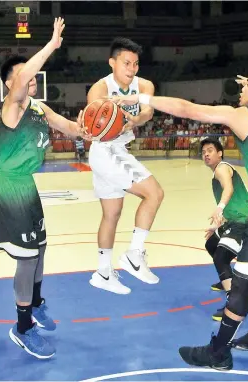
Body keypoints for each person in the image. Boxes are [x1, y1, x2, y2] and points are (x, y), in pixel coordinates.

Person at [110, 68, 248, 370]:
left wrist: (139, 97)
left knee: (243, 281)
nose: (240, 90)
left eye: (247, 87)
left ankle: (218, 352)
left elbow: (188, 109)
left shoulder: (243, 115)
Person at [0, 18, 90, 359]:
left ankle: (37, 303)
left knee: (41, 249)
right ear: (11, 83)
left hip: (27, 188)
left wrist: (94, 128)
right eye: (23, 76)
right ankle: (22, 326)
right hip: (9, 189)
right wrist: (51, 45)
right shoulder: (12, 108)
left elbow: (72, 129)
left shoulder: (39, 108)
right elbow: (22, 78)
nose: (31, 79)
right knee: (27, 261)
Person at [86, 37, 164, 295]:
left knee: (112, 214)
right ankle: (134, 255)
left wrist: (134, 119)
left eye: (136, 63)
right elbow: (90, 120)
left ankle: (103, 271)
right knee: (154, 193)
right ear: (112, 63)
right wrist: (114, 119)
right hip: (106, 150)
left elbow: (148, 112)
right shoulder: (100, 88)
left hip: (113, 152)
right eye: (126, 63)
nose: (132, 69)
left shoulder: (145, 85)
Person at [201, 138, 248, 321]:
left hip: (243, 221)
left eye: (210, 150)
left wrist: (219, 208)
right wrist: (218, 224)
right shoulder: (218, 172)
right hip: (233, 220)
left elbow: (229, 189)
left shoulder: (222, 168)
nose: (206, 154)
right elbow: (233, 199)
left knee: (221, 257)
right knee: (211, 244)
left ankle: (234, 303)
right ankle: (227, 280)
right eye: (203, 152)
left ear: (220, 153)